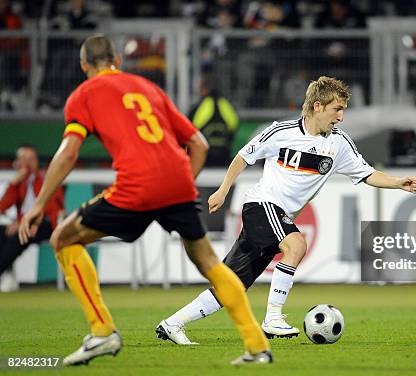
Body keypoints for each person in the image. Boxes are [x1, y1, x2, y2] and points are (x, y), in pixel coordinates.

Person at [18, 34, 271, 366]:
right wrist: (178, 189)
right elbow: (199, 145)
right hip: (179, 183)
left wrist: (38, 205)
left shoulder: (83, 95)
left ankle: (102, 332)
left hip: (136, 185)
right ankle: (256, 347)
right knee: (209, 263)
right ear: (118, 62)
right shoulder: (148, 87)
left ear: (84, 67)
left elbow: (67, 155)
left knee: (63, 239)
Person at [156, 76, 416, 344]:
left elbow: (367, 174)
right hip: (261, 205)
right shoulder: (280, 132)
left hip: (275, 217)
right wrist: (223, 190)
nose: (341, 117)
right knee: (296, 244)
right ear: (318, 106)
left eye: (342, 110)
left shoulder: (338, 143)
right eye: (336, 109)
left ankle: (172, 324)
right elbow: (244, 156)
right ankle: (273, 318)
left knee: (231, 287)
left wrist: (398, 182)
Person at [0, 145, 64, 288]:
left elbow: (52, 207)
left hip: (47, 224)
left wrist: (25, 223)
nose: (27, 163)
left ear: (36, 161)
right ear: (16, 163)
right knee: (2, 233)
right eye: (23, 159)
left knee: (18, 237)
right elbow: (3, 206)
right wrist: (13, 183)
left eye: (30, 159)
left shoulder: (47, 178)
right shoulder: (18, 183)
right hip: (25, 224)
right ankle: (6, 272)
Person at [188, 75, 239, 167]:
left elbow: (189, 129)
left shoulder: (199, 106)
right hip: (224, 158)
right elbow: (234, 127)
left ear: (204, 89)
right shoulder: (226, 105)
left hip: (204, 160)